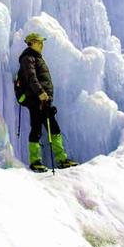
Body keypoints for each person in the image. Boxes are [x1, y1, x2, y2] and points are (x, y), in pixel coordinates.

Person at [18, 32, 77, 172]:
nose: (42, 44)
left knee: (53, 128)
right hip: (36, 100)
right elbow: (32, 78)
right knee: (37, 129)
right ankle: (35, 161)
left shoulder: (37, 58)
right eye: (39, 42)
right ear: (31, 43)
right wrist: (41, 93)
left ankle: (61, 159)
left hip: (43, 100)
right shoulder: (28, 58)